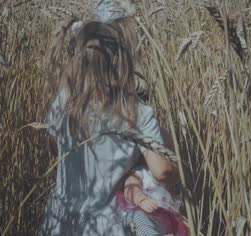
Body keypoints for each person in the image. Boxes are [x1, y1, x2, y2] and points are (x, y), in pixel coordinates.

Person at [41, 20, 176, 235]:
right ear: (123, 62)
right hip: (106, 225)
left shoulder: (64, 101)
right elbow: (162, 171)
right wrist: (178, 170)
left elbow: (53, 147)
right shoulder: (137, 112)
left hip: (61, 219)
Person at [117, 129, 189, 236]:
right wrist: (141, 199)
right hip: (137, 215)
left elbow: (173, 206)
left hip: (162, 221)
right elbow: (130, 188)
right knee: (139, 218)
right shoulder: (140, 172)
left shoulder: (169, 182)